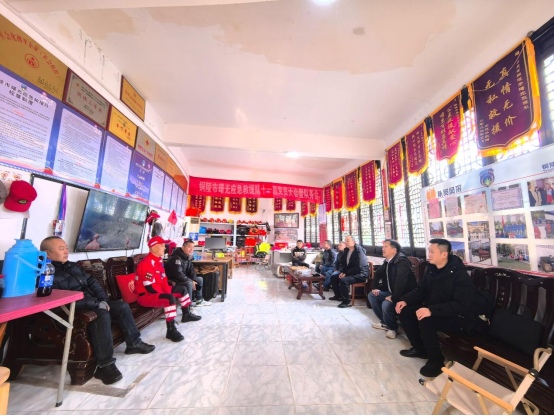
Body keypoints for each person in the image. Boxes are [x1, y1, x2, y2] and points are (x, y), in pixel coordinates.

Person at [40, 236, 155, 385]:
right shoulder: (45, 274)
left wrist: (103, 300)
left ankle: (134, 343)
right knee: (101, 314)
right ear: (47, 254)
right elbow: (62, 300)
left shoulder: (72, 266)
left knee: (121, 306)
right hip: (73, 311)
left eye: (66, 248)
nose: (66, 251)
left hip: (93, 303)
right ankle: (105, 365)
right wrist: (97, 304)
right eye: (61, 249)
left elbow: (92, 282)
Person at [395, 238, 476, 377]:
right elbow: (421, 290)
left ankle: (436, 362)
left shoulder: (459, 274)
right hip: (437, 310)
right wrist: (405, 300)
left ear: (444, 254)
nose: (429, 254)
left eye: (432, 251)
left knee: (426, 320)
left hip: (457, 317)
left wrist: (431, 310)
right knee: (405, 311)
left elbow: (461, 305)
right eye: (429, 251)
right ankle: (420, 349)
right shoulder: (431, 269)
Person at [135, 236, 201, 343]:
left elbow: (164, 281)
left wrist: (168, 291)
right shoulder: (146, 264)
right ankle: (170, 330)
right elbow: (150, 288)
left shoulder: (158, 261)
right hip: (146, 296)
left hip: (158, 291)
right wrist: (166, 294)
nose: (165, 248)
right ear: (153, 248)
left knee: (182, 289)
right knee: (169, 298)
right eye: (162, 246)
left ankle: (186, 314)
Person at [368, 239, 417, 339]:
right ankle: (385, 322)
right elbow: (378, 273)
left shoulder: (402, 261)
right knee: (372, 295)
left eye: (385, 247)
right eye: (383, 247)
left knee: (386, 304)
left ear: (394, 250)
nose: (383, 249)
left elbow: (401, 282)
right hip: (391, 292)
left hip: (404, 294)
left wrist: (394, 297)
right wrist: (375, 287)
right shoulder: (387, 261)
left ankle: (392, 328)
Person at [166, 239, 212, 307]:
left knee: (199, 279)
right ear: (183, 247)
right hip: (174, 281)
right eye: (189, 247)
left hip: (182, 279)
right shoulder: (176, 258)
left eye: (193, 247)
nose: (191, 249)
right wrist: (190, 281)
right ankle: (188, 306)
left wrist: (194, 280)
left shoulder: (187, 257)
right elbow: (178, 274)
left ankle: (199, 300)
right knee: (189, 283)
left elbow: (191, 271)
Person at [329, 235, 369, 308]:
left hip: (360, 274)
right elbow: (344, 264)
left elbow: (358, 267)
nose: (346, 242)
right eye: (345, 241)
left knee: (344, 280)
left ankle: (346, 301)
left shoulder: (359, 251)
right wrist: (343, 272)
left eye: (348, 241)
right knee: (334, 277)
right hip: (351, 273)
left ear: (353, 242)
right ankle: (338, 296)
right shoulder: (347, 250)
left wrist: (346, 273)